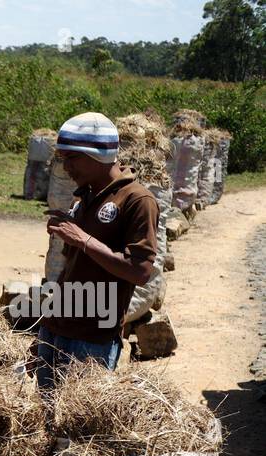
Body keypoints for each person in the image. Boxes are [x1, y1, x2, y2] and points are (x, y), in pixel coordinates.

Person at [38, 112, 159, 390]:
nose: (65, 167)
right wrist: (46, 326)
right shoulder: (84, 195)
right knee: (48, 419)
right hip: (57, 329)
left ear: (98, 155)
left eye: (72, 158)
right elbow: (70, 269)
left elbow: (140, 272)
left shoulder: (137, 200)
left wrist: (83, 239)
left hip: (92, 339)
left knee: (80, 427)